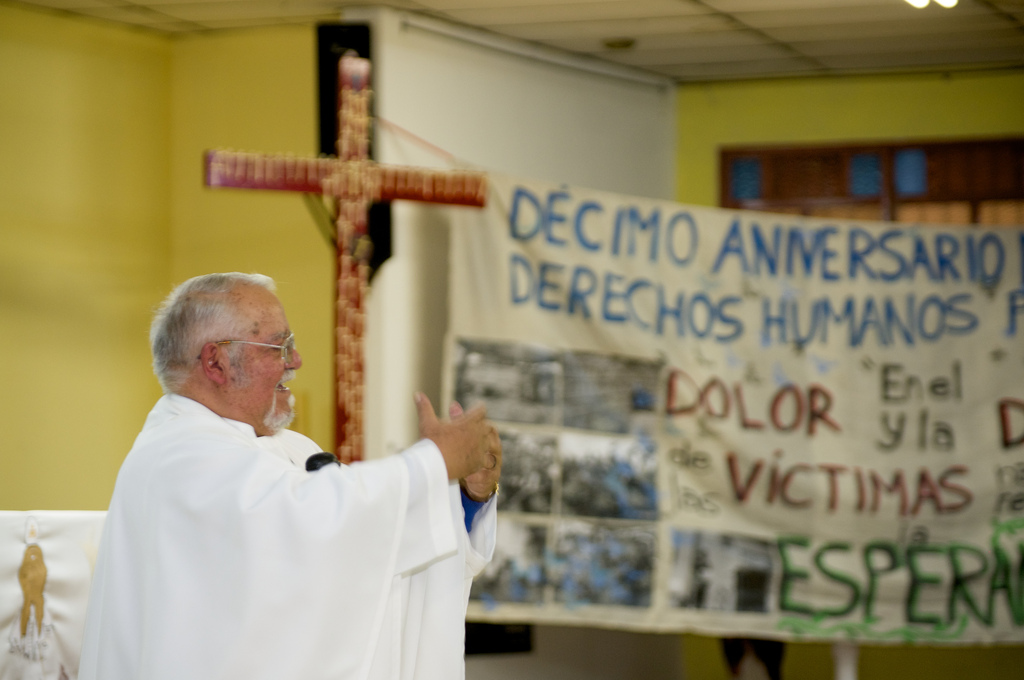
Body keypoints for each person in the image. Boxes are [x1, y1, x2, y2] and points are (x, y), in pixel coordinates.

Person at [79, 272, 502, 680]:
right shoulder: (179, 459)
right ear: (216, 361)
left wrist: (465, 495)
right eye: (279, 347)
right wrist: (434, 463)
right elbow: (315, 525)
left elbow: (374, 555)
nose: (295, 361)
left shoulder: (289, 449)